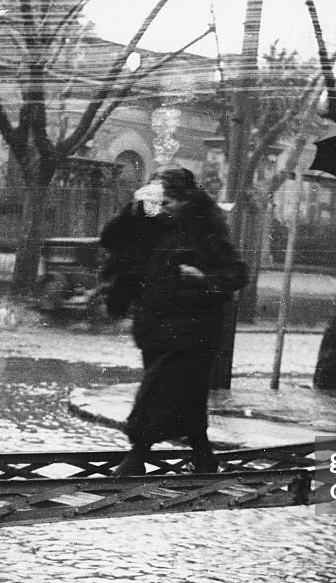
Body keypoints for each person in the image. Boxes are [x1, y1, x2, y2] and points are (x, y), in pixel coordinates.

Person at [99, 166, 249, 476]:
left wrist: (204, 279)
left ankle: (136, 456)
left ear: (185, 201)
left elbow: (236, 273)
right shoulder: (151, 224)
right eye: (157, 201)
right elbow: (110, 239)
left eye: (167, 202)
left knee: (156, 392)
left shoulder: (205, 230)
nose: (161, 208)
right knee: (187, 399)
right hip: (156, 328)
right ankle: (204, 457)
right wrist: (133, 209)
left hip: (193, 332)